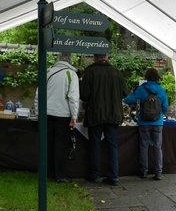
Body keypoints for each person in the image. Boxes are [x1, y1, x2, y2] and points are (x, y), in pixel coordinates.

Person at [80, 53, 128, 186]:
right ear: (107, 57)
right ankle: (114, 176)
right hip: (113, 113)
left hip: (95, 113)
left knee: (94, 144)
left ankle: (94, 175)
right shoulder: (117, 73)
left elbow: (84, 95)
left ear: (95, 58)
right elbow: (125, 93)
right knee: (112, 146)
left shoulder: (90, 72)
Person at [34, 52, 80, 183]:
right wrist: (74, 116)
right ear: (70, 61)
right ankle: (60, 175)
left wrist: (38, 112)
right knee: (60, 146)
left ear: (58, 59)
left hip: (46, 114)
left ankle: (47, 173)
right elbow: (73, 98)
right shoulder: (71, 75)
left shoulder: (48, 72)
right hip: (63, 115)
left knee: (47, 144)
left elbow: (38, 94)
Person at [123, 68, 168, 180]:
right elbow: (165, 107)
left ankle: (143, 171)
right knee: (158, 147)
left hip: (144, 122)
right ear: (157, 77)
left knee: (144, 146)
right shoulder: (161, 90)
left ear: (146, 77)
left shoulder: (142, 89)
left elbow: (128, 100)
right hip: (158, 122)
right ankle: (158, 172)